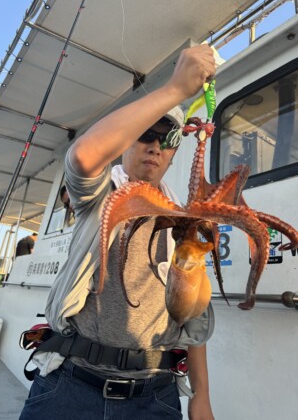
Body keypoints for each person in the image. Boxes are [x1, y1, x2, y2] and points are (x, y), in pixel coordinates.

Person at [20, 44, 216, 420]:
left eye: (168, 139)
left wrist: (201, 394)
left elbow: (191, 310)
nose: (155, 147)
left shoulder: (183, 221)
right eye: (146, 133)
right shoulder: (101, 196)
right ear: (127, 141)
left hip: (153, 396)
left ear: (175, 151)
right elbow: (82, 157)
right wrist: (175, 89)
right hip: (71, 385)